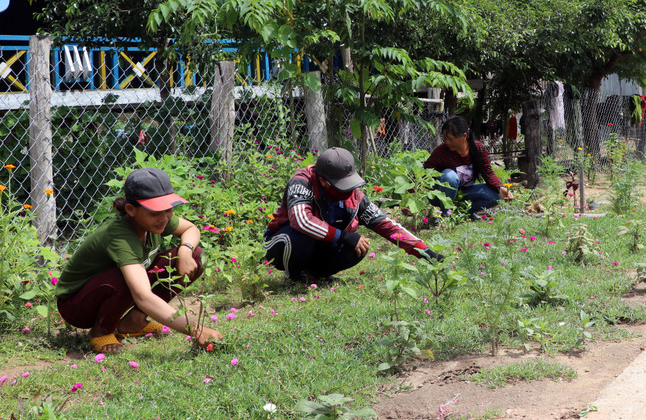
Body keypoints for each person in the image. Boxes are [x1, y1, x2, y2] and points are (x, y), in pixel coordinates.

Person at [56, 168, 222, 354]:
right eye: (155, 213)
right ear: (131, 210)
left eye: (168, 210)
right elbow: (142, 296)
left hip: (111, 291)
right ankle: (101, 331)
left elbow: (190, 229)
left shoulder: (156, 219)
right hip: (77, 305)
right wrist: (195, 329)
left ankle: (134, 322)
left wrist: (185, 251)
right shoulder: (120, 236)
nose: (164, 218)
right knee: (127, 276)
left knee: (196, 254)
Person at [263, 147, 440, 281]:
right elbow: (300, 221)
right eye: (342, 185)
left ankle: (315, 275)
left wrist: (426, 253)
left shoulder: (355, 195)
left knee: (358, 248)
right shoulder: (302, 182)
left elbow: (387, 225)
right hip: (282, 242)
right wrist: (344, 236)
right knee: (302, 236)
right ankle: (293, 276)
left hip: (320, 246)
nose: (349, 189)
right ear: (324, 181)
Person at [424, 116, 512, 215]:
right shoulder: (441, 152)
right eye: (445, 139)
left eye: (451, 139)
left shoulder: (478, 149)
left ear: (464, 136)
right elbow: (424, 173)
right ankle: (446, 215)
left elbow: (488, 172)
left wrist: (500, 187)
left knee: (496, 195)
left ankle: (463, 213)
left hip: (464, 193)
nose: (447, 142)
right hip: (441, 195)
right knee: (449, 176)